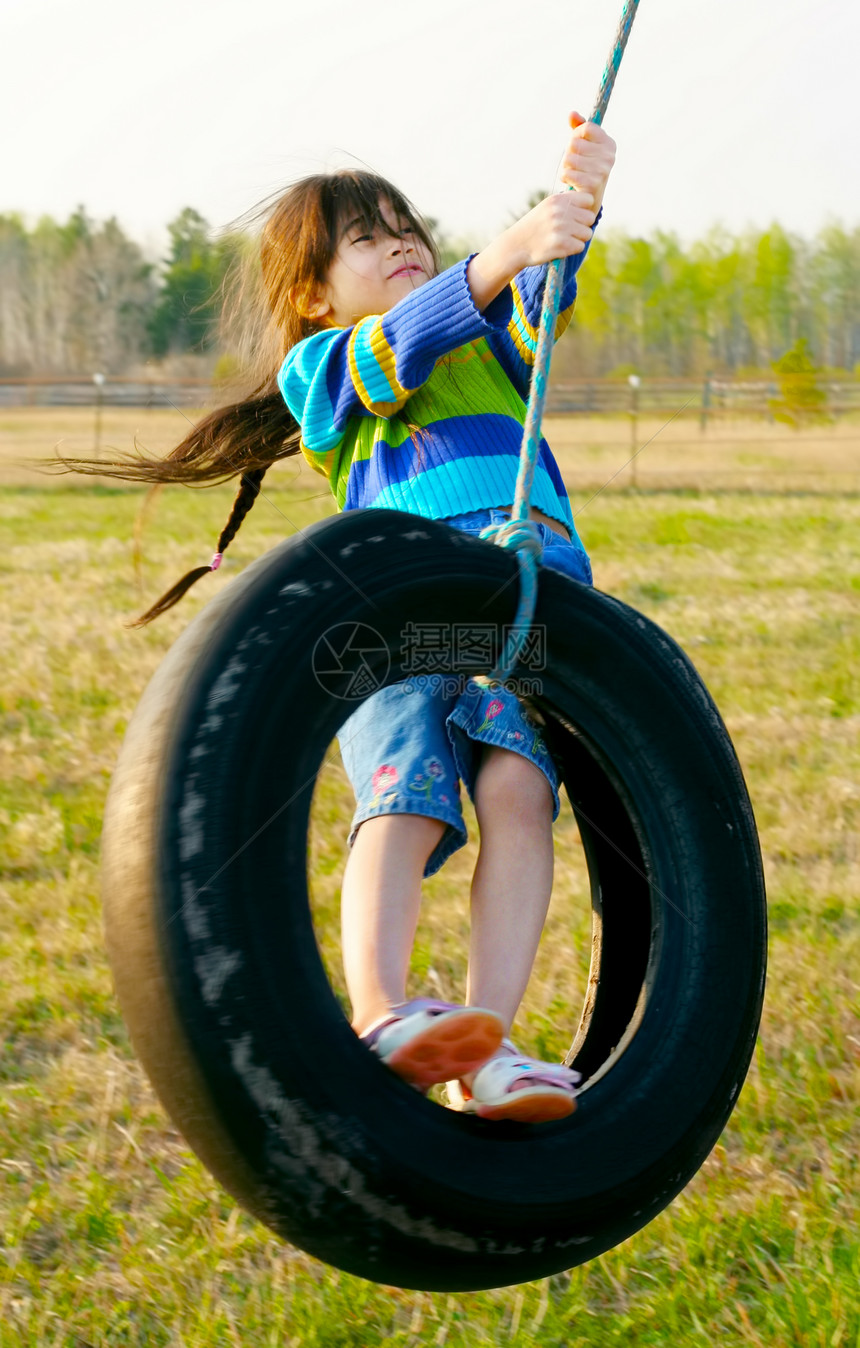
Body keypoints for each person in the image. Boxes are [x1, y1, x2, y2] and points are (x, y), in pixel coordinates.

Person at [66, 112, 615, 1122]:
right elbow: (410, 338)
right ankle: (383, 1010)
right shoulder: (325, 371)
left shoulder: (496, 351)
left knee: (517, 793)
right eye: (365, 236)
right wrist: (506, 248)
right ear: (313, 292)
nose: (400, 240)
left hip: (523, 598)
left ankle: (486, 1044)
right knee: (408, 784)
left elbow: (537, 291)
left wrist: (575, 200)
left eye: (406, 225)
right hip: (404, 614)